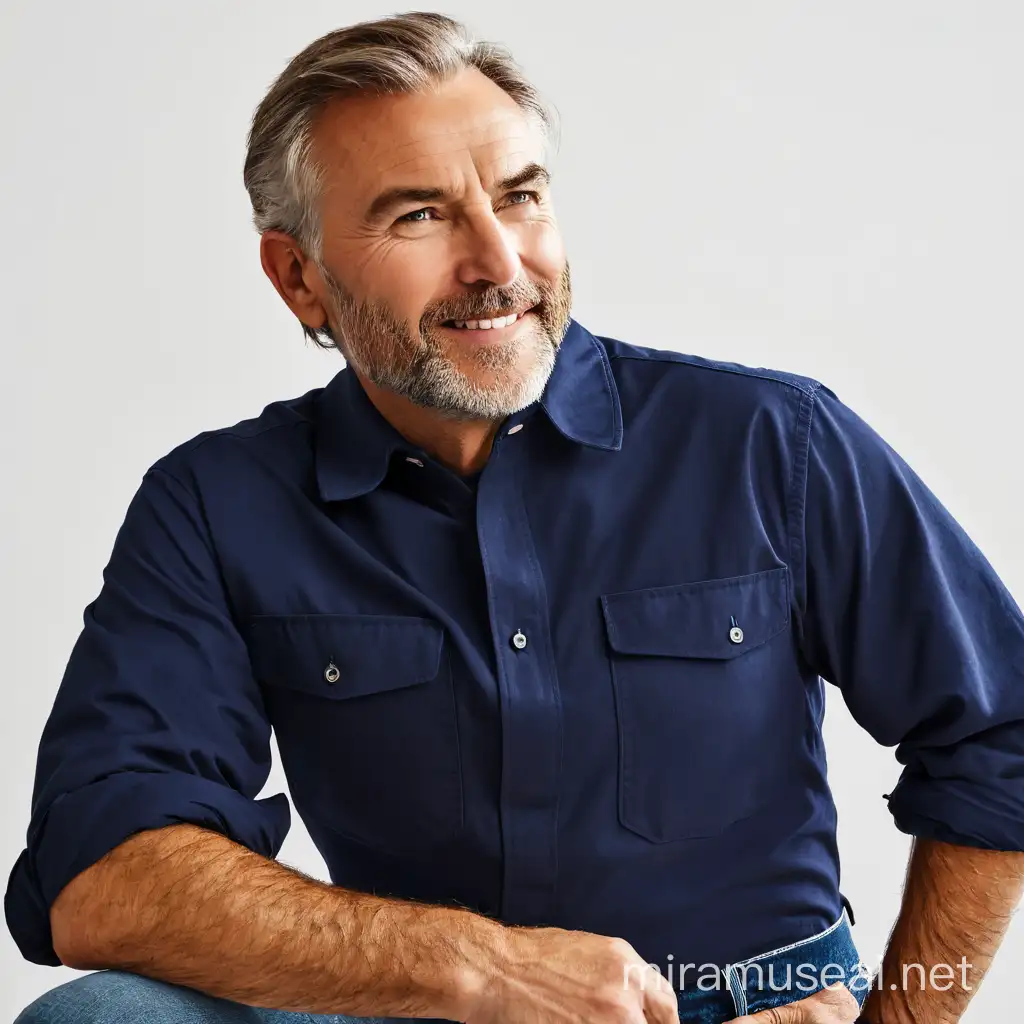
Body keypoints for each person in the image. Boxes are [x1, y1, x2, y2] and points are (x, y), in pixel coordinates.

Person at [8, 12, 1024, 1024]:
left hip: (749, 1009)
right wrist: (478, 970)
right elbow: (99, 874)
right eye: (418, 215)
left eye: (520, 197)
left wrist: (896, 1021)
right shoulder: (218, 504)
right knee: (99, 1017)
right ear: (299, 277)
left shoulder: (769, 441)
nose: (498, 262)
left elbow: (1001, 730)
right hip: (419, 1010)